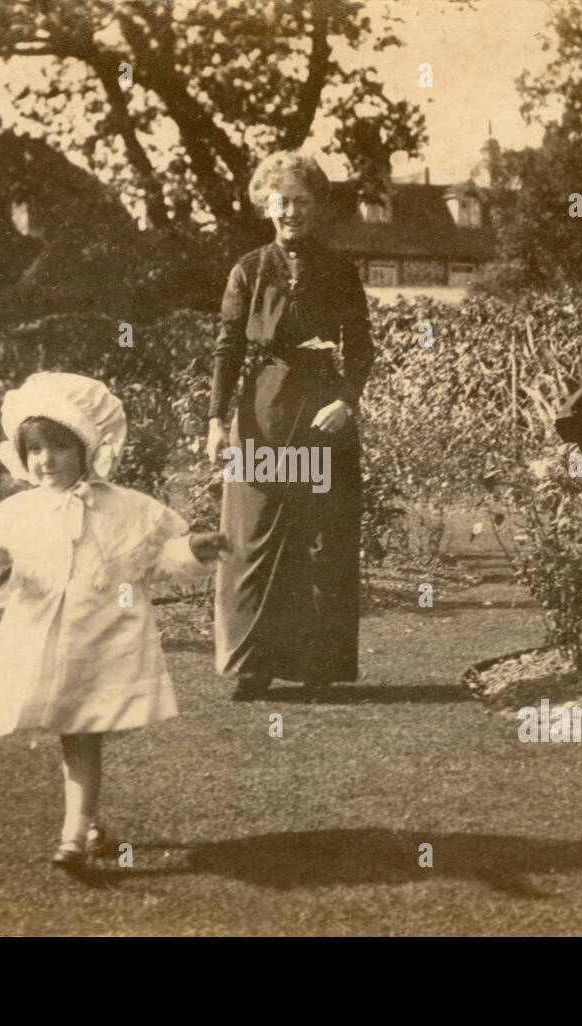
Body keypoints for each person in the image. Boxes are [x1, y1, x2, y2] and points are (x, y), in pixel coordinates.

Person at [0, 371, 229, 872]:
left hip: (98, 643)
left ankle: (73, 836)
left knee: (80, 735)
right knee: (74, 734)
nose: (46, 460)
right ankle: (88, 825)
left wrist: (193, 549)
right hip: (43, 646)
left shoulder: (123, 509)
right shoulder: (17, 514)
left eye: (60, 448)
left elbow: (154, 560)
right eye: (36, 449)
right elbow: (6, 584)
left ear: (87, 450)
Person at [207, 151, 375, 700]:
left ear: (317, 208)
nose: (292, 211)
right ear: (265, 206)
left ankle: (318, 667)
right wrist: (215, 418)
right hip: (263, 414)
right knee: (251, 540)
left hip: (324, 414)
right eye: (281, 201)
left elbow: (361, 348)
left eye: (303, 201)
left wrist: (347, 400)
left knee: (322, 538)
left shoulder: (340, 270)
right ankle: (252, 668)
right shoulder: (248, 269)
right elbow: (228, 348)